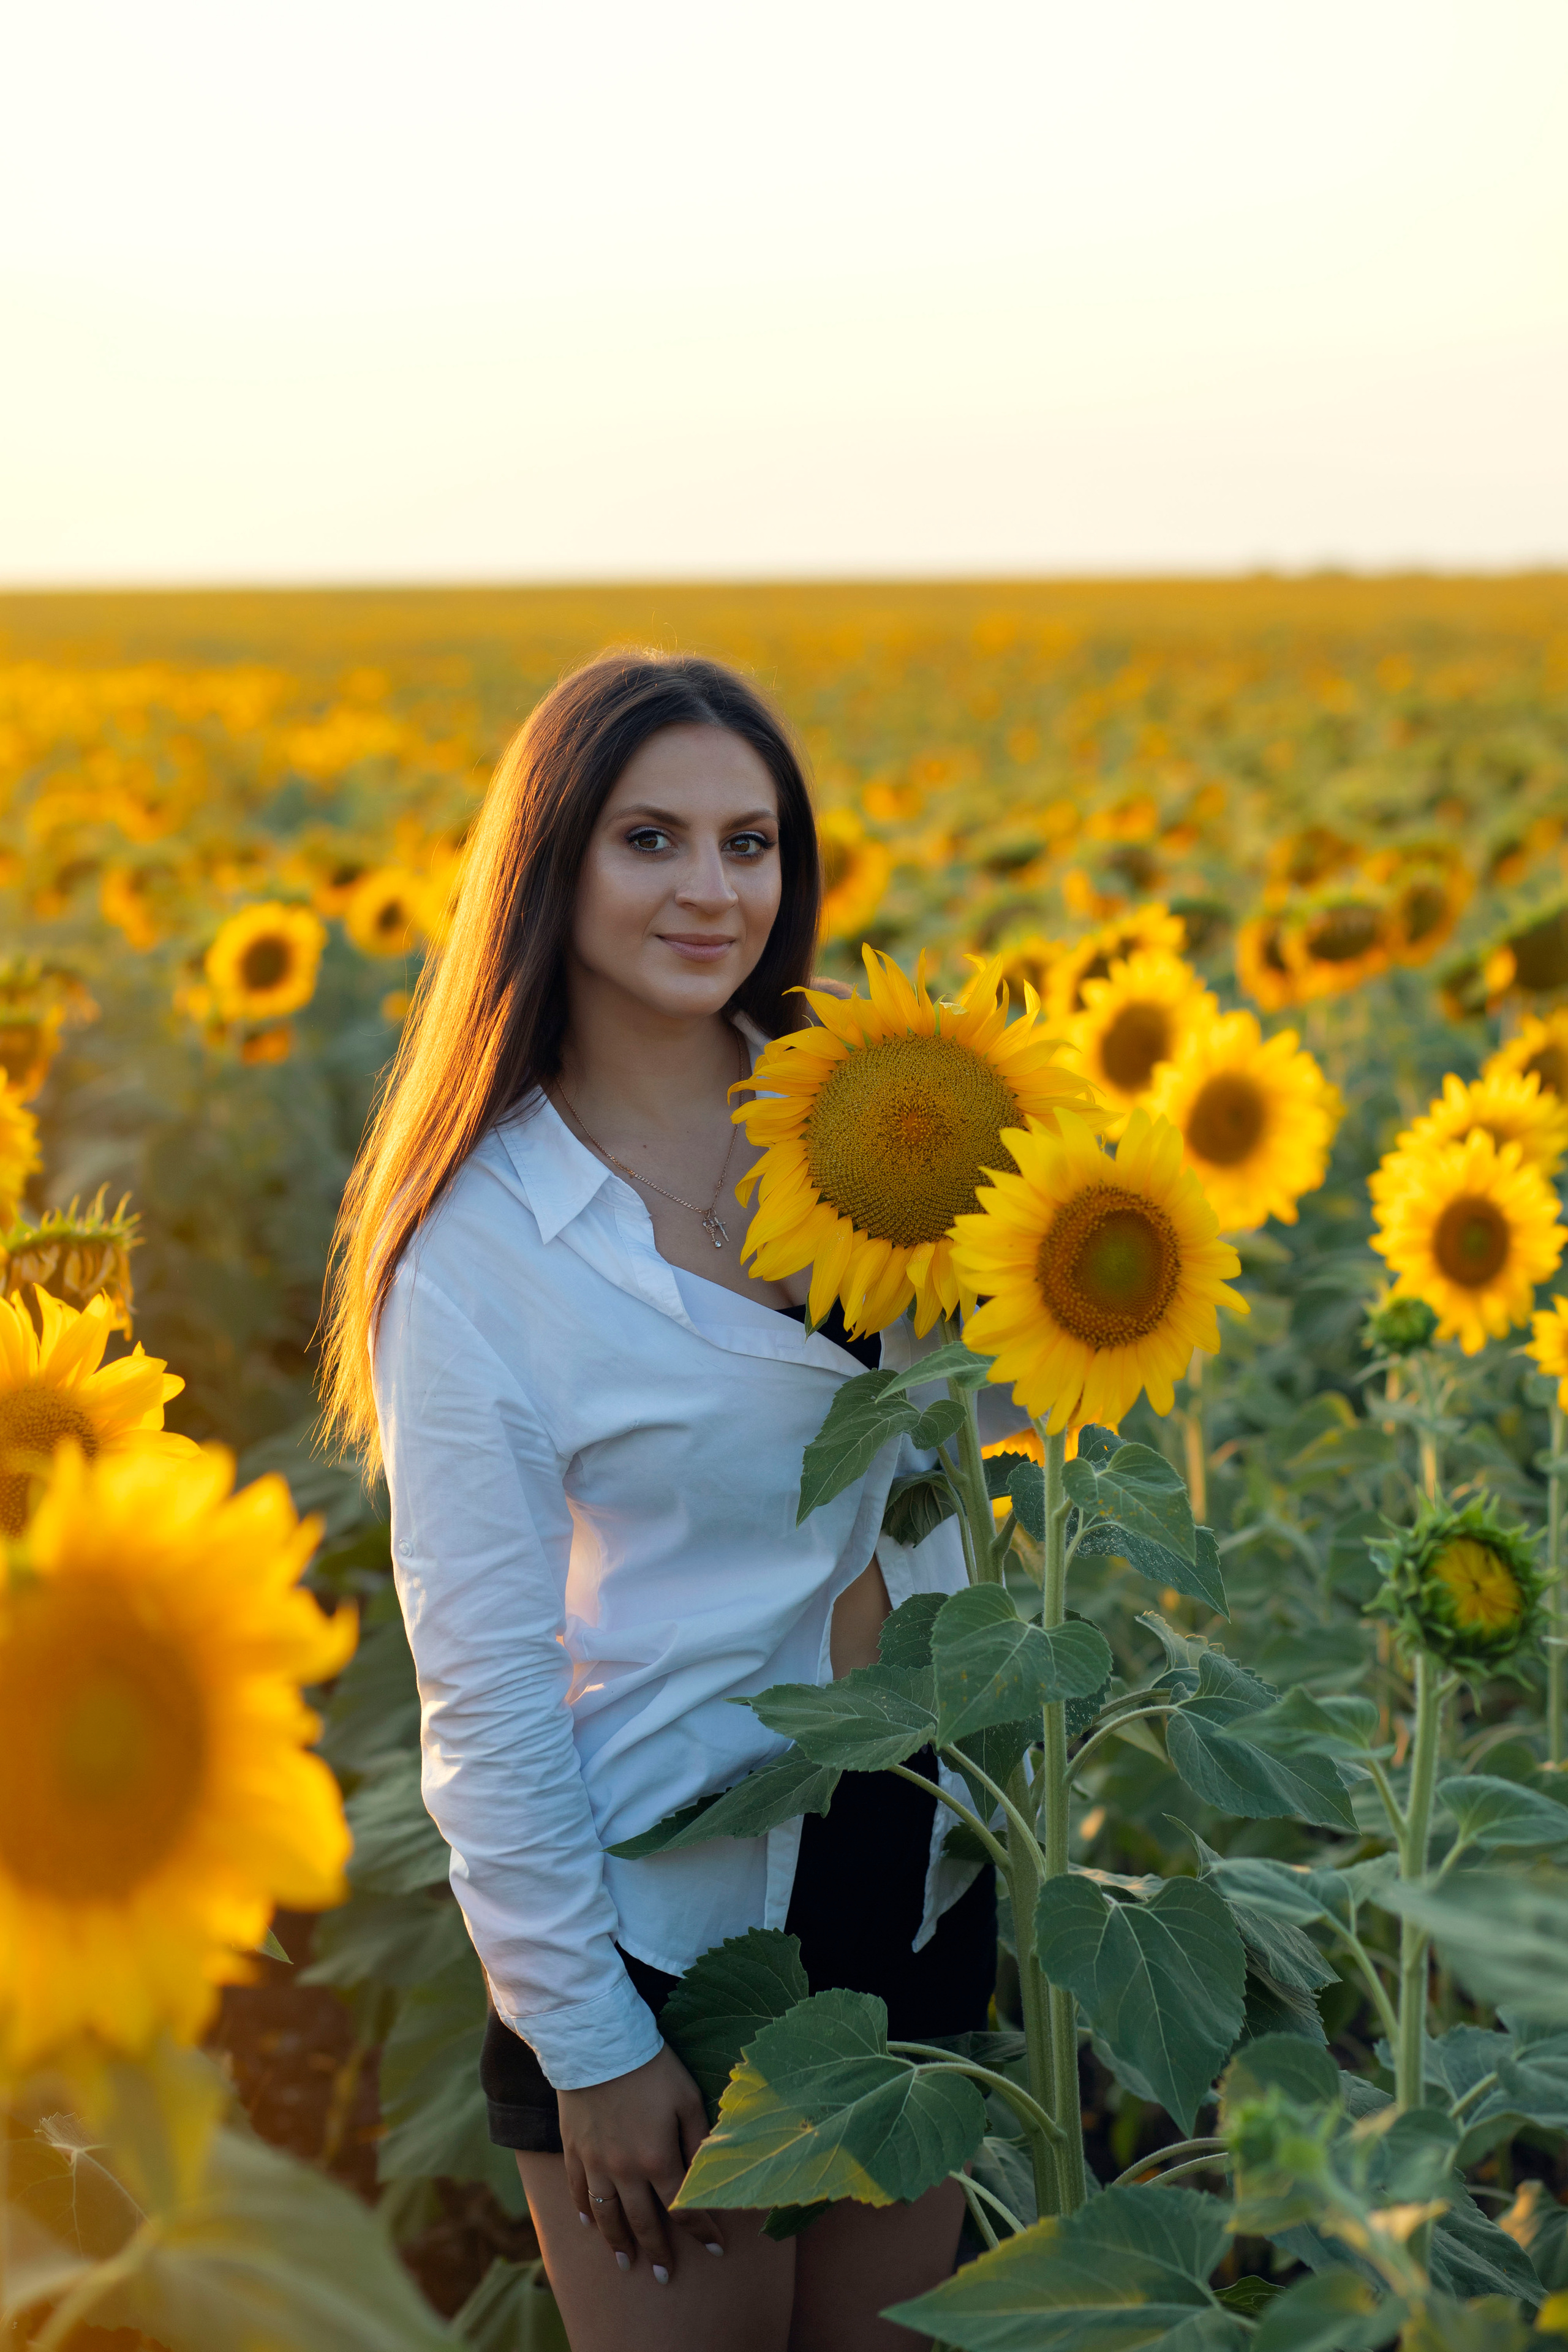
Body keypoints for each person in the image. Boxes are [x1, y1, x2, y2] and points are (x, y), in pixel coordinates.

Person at [323, 651, 997, 2351]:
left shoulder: (880, 1121)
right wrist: (591, 2044)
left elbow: (976, 1451)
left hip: (907, 1848)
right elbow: (481, 1689)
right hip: (665, 1906)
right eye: (652, 840)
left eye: (751, 844)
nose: (712, 890)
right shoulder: (481, 1251)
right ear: (553, 863)